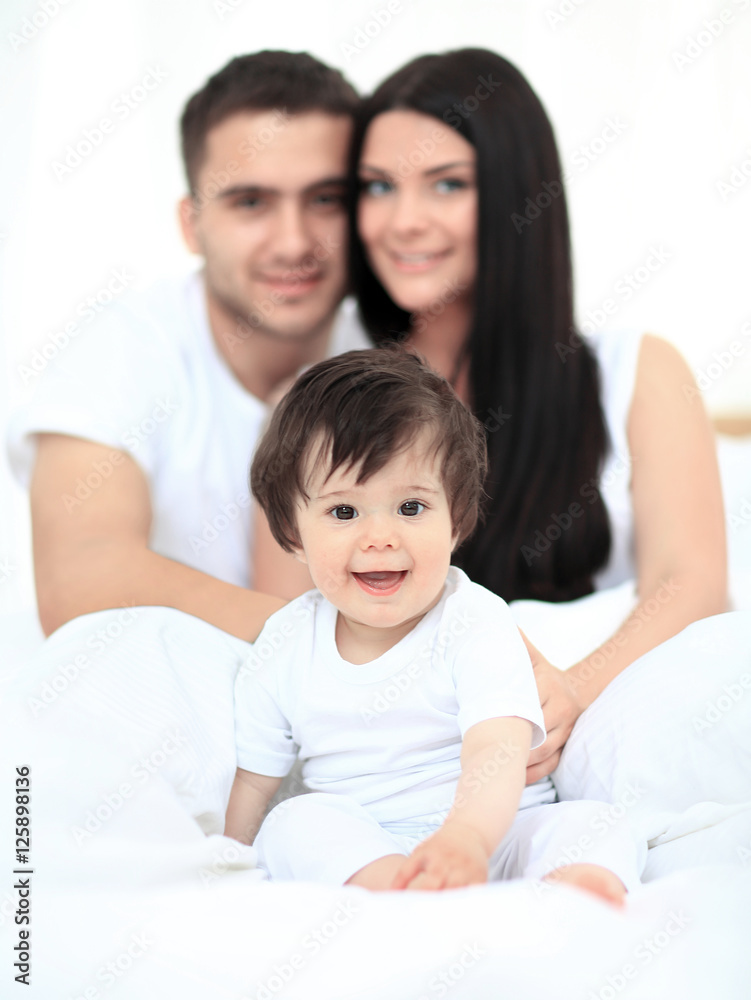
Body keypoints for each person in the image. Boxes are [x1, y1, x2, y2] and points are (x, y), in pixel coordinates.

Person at [342, 48, 728, 783]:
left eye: (446, 184)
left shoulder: (638, 371)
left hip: (580, 735)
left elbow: (693, 586)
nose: (403, 221)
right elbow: (297, 614)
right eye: (378, 187)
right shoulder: (337, 393)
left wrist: (565, 693)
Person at [225, 347, 643, 904]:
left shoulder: (474, 620)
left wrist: (465, 840)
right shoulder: (285, 644)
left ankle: (574, 894)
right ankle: (399, 896)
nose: (380, 537)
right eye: (344, 512)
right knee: (294, 822)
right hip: (371, 842)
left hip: (497, 836)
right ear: (292, 534)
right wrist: (226, 855)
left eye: (411, 508)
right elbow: (254, 779)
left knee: (596, 823)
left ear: (458, 520)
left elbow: (497, 746)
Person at [7, 50, 369, 641]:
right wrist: (333, 650)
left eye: (326, 199)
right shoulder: (122, 348)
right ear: (190, 223)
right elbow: (78, 582)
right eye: (251, 202)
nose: (294, 240)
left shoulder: (391, 353)